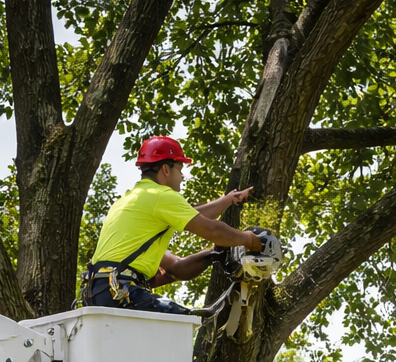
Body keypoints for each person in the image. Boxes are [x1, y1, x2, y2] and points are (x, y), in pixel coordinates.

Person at [80, 135, 263, 316]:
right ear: (166, 169)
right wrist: (250, 240)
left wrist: (213, 254)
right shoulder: (161, 195)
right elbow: (211, 228)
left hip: (98, 293)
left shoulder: (133, 203)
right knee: (178, 321)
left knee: (176, 322)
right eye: (180, 168)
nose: (182, 175)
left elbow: (176, 268)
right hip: (118, 291)